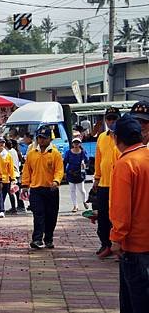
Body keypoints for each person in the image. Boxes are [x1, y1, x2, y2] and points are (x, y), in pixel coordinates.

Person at [109, 115, 149, 313]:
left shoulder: (125, 164)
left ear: (117, 138)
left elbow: (121, 208)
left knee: (135, 300)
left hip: (135, 244)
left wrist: (117, 238)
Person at [21, 126, 64, 249]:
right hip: (36, 189)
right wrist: (25, 185)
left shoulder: (55, 154)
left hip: (51, 189)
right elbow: (26, 171)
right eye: (39, 137)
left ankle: (48, 238)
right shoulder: (31, 154)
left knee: (51, 215)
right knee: (38, 214)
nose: (41, 140)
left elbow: (59, 170)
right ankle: (37, 239)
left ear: (50, 139)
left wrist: (56, 181)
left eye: (44, 138)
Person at [93, 107, 121, 259]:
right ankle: (106, 244)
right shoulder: (102, 137)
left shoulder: (124, 137)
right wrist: (96, 178)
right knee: (103, 216)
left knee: (117, 217)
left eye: (114, 118)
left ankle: (119, 246)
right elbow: (98, 159)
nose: (111, 122)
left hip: (119, 184)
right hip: (104, 183)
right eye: (109, 119)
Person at [63, 137, 89, 213]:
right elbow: (65, 162)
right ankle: (75, 206)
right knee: (72, 190)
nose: (76, 144)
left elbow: (87, 161)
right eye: (75, 143)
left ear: (80, 144)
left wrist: (84, 164)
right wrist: (64, 172)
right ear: (72, 144)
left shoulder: (83, 152)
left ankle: (84, 201)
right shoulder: (68, 152)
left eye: (77, 143)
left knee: (82, 190)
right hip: (70, 172)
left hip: (80, 173)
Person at [0, 137, 16, 217]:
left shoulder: (8, 155)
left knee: (3, 195)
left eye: (3, 143)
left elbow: (11, 168)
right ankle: (1, 210)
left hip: (6, 179)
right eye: (0, 142)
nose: (2, 144)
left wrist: (13, 178)